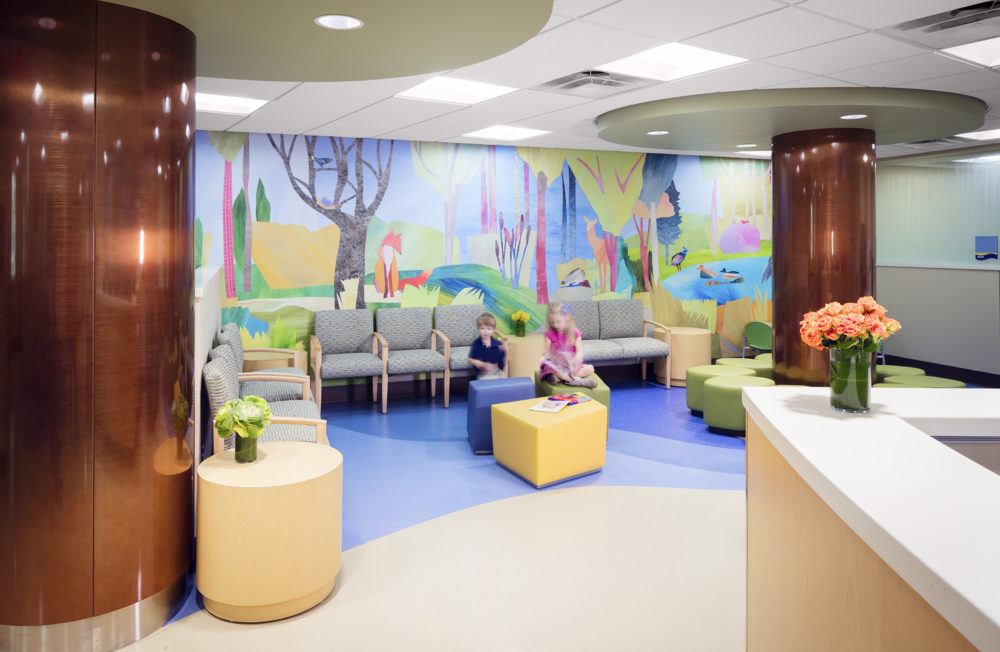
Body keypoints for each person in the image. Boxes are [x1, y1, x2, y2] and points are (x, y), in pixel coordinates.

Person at [539, 302, 597, 388]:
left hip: (570, 367)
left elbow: (579, 352)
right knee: (553, 369)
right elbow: (546, 354)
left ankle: (561, 378)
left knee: (590, 369)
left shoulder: (575, 333)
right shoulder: (550, 334)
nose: (555, 325)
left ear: (567, 319)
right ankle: (579, 382)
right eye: (552, 322)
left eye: (558, 322)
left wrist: (576, 358)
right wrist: (553, 358)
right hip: (556, 365)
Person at [468, 312, 506, 380]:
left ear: (493, 330)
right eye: (482, 328)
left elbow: (502, 361)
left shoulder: (498, 344)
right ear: (478, 329)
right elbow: (470, 359)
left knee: (504, 380)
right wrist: (480, 364)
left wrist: (504, 353)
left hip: (497, 372)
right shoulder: (476, 344)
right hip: (483, 374)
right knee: (486, 382)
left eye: (489, 329)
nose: (485, 331)